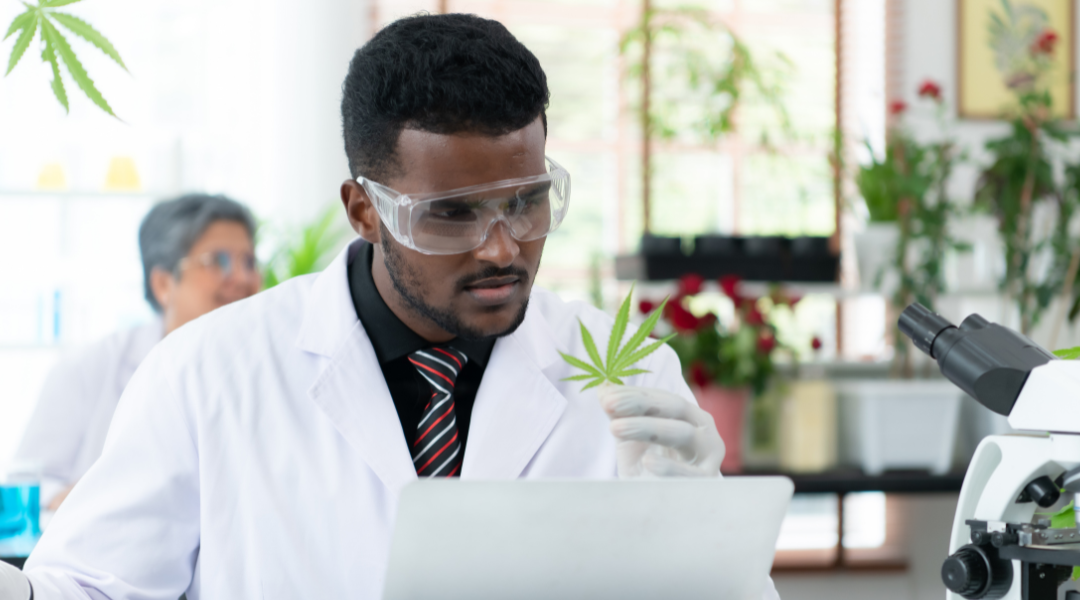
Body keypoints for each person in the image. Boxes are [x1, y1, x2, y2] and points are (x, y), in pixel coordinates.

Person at [1, 14, 780, 600]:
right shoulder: (208, 374)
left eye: (527, 202)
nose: (503, 247)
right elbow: (92, 587)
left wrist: (705, 543)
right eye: (453, 214)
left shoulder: (627, 373)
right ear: (363, 209)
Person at [11, 194, 261, 511]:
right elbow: (29, 485)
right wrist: (96, 499)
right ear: (162, 284)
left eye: (249, 261)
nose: (242, 278)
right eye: (218, 261)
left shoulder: (264, 370)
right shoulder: (88, 369)